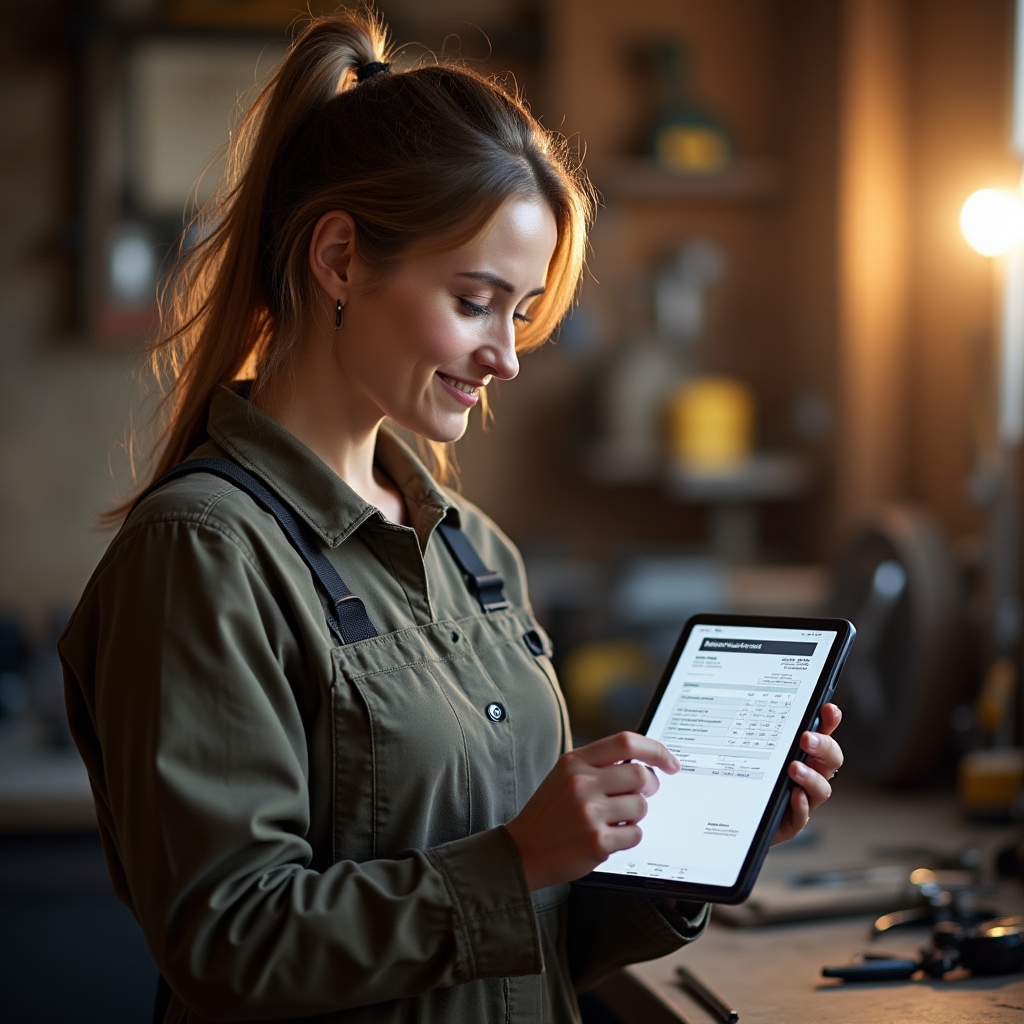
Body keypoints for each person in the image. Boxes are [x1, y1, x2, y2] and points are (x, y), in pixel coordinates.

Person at [59, 10, 844, 1024]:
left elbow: (533, 935)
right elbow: (228, 942)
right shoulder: (204, 552)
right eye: (477, 301)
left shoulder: (476, 550)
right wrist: (516, 857)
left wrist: (691, 855)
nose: (506, 356)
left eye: (520, 313)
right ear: (340, 260)